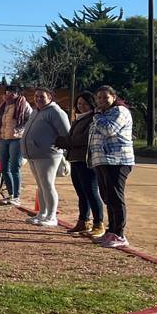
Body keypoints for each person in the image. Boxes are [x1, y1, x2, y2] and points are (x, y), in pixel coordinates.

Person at [89, 85, 135, 248]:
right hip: (102, 160)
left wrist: (97, 116)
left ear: (113, 97)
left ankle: (119, 235)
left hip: (118, 160)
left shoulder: (119, 112)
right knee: (107, 197)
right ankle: (111, 231)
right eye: (99, 98)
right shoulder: (103, 114)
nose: (101, 101)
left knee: (115, 197)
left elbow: (109, 130)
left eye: (105, 97)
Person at [56, 92, 106, 237]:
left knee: (91, 192)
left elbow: (83, 139)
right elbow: (73, 137)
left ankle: (98, 223)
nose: (81, 106)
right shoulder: (79, 119)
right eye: (79, 104)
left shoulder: (93, 119)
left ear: (91, 104)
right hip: (75, 159)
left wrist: (63, 141)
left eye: (84, 104)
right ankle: (83, 221)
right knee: (81, 193)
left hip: (87, 161)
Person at [22, 87, 70, 226]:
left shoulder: (55, 112)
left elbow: (65, 133)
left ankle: (51, 216)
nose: (38, 99)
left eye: (42, 96)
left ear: (50, 97)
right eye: (36, 96)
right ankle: (42, 213)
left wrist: (54, 147)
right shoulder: (36, 111)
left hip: (48, 155)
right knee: (41, 185)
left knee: (48, 185)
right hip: (33, 155)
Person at [0, 83, 34, 206]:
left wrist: (22, 131)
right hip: (3, 139)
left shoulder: (24, 105)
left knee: (14, 168)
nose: (8, 95)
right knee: (4, 168)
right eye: (7, 92)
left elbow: (30, 120)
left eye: (12, 93)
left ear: (18, 94)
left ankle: (17, 196)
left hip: (17, 139)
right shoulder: (2, 105)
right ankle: (10, 194)